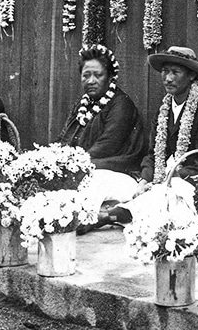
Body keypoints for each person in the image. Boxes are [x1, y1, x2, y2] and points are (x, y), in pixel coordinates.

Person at [56, 45, 147, 232]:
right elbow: (65, 140)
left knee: (94, 180)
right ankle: (96, 215)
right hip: (85, 168)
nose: (91, 81)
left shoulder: (121, 104)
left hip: (121, 175)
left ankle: (84, 219)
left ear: (110, 77)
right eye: (86, 75)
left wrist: (71, 165)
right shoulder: (83, 104)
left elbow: (107, 146)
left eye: (98, 75)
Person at [138, 46, 198, 182]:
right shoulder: (163, 110)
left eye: (175, 72)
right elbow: (153, 155)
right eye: (165, 71)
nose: (168, 78)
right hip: (163, 180)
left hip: (195, 182)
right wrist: (145, 179)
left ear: (191, 75)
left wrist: (174, 177)